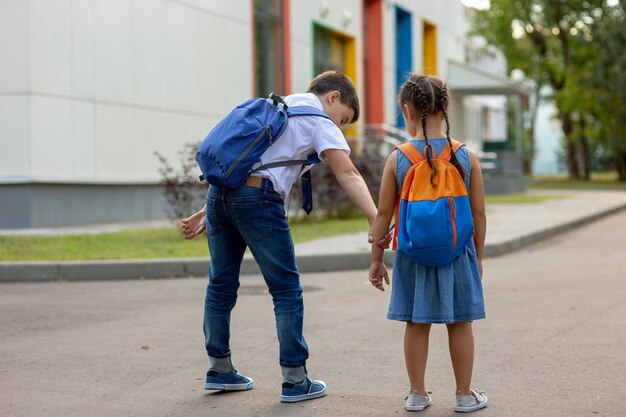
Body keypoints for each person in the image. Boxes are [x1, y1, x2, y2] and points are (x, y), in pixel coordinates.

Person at [182, 71, 386, 403]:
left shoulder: (278, 105)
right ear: (333, 97)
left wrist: (208, 211)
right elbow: (347, 172)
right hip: (259, 203)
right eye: (344, 118)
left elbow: (246, 160)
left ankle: (219, 368)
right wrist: (376, 217)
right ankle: (295, 379)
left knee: (220, 284)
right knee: (286, 290)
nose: (340, 126)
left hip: (218, 196)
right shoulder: (317, 121)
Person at [368, 74, 488, 413]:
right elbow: (478, 213)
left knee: (416, 323)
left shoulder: (399, 158)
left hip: (412, 253)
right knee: (460, 322)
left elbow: (382, 214)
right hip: (458, 251)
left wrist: (376, 258)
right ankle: (464, 394)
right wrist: (477, 256)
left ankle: (417, 394)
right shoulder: (465, 156)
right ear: (445, 108)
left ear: (407, 110)